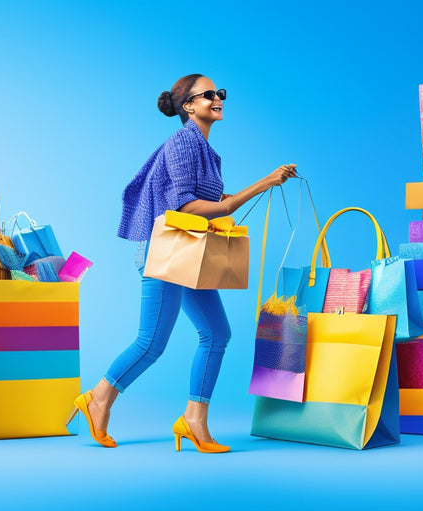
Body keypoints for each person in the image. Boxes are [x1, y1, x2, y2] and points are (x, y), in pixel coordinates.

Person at [69, 73, 297, 453]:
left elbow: (210, 199)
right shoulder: (180, 143)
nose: (217, 98)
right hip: (164, 253)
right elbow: (186, 206)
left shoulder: (207, 150)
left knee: (217, 335)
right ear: (188, 106)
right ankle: (98, 398)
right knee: (152, 342)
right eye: (208, 94)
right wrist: (262, 183)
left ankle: (193, 420)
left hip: (189, 254)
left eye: (219, 93)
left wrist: (245, 193)